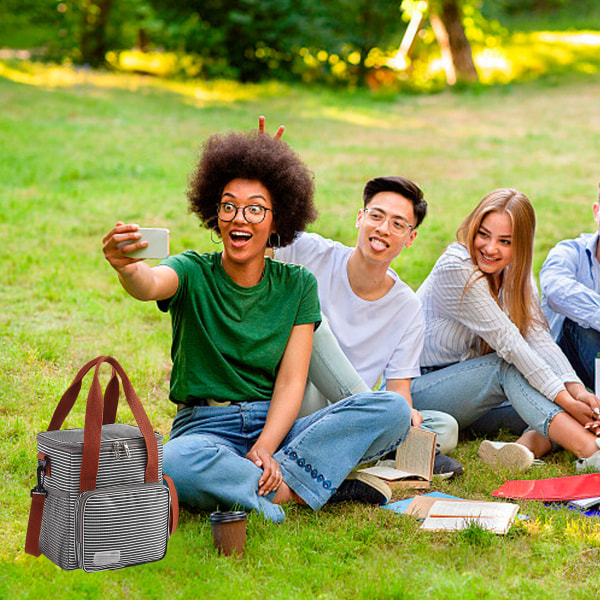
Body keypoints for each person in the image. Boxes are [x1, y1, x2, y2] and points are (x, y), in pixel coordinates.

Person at [102, 129, 411, 523]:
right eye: (228, 207)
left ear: (276, 219)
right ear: (215, 214)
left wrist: (265, 448)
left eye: (254, 209)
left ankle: (267, 483)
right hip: (205, 429)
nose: (239, 218)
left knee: (391, 409)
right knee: (172, 460)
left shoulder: (298, 285)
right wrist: (128, 267)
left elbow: (291, 383)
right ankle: (295, 486)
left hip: (277, 427)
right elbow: (148, 284)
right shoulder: (193, 270)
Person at [272, 174, 462, 477]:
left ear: (410, 238)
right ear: (360, 218)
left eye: (398, 224)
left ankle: (359, 442)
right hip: (294, 398)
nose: (383, 229)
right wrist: (266, 177)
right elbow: (260, 237)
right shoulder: (309, 252)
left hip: (347, 416)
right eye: (376, 216)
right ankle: (385, 443)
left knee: (445, 427)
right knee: (312, 322)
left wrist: (399, 412)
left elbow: (400, 390)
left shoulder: (408, 307)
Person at [409, 188, 600, 471]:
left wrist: (575, 391)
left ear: (520, 245)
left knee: (554, 401)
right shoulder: (457, 266)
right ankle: (592, 452)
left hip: (473, 400)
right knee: (510, 369)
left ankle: (517, 451)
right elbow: (511, 345)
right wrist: (569, 401)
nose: (490, 248)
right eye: (483, 234)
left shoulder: (515, 274)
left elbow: (537, 337)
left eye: (505, 241)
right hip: (422, 393)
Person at [540, 183, 600, 392]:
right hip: (560, 370)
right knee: (583, 324)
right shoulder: (569, 252)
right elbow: (554, 288)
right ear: (596, 212)